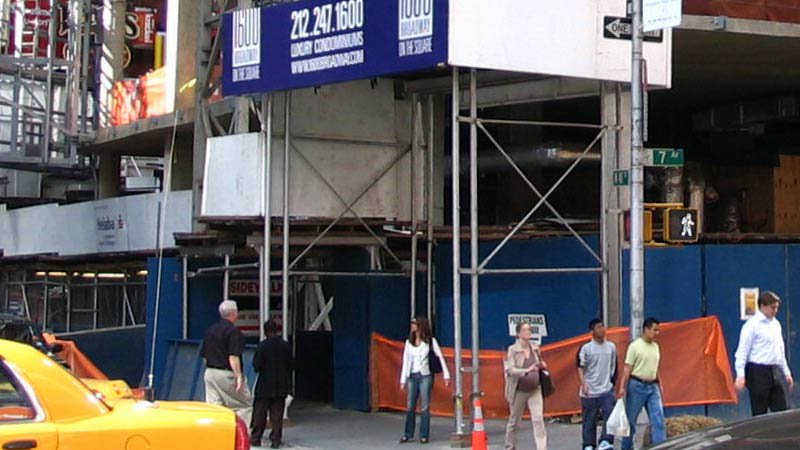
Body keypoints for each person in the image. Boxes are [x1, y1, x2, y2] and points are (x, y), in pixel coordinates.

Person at [734, 290, 794, 416]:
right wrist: (740, 375)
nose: (775, 310)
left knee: (783, 410)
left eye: (777, 308)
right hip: (758, 371)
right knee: (759, 410)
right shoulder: (752, 325)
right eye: (773, 307)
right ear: (763, 306)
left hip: (775, 369)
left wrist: (786, 372)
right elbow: (742, 351)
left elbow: (780, 350)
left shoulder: (776, 324)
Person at [399, 317, 451, 444]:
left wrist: (446, 374)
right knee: (410, 405)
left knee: (425, 406)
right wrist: (403, 379)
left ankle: (424, 434)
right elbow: (406, 361)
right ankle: (408, 433)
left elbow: (440, 357)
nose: (412, 326)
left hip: (425, 375)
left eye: (414, 323)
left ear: (421, 326)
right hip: (412, 375)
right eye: (411, 323)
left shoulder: (430, 341)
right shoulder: (408, 342)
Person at [200, 300, 252, 425]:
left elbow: (204, 356)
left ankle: (217, 436)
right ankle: (239, 438)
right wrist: (239, 376)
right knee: (243, 405)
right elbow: (233, 356)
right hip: (226, 374)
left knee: (215, 408)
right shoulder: (233, 332)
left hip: (210, 373)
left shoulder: (210, 330)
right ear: (234, 313)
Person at [617, 317, 665, 450]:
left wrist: (660, 385)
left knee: (658, 418)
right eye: (654, 330)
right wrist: (622, 387)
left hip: (652, 386)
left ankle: (660, 446)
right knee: (631, 420)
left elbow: (656, 367)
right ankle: (626, 447)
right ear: (646, 329)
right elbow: (627, 368)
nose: (657, 333)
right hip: (637, 385)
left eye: (658, 330)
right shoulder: (635, 346)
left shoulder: (656, 347)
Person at [504, 322, 548, 450]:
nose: (528, 332)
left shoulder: (535, 347)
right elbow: (510, 369)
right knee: (514, 421)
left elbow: (539, 362)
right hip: (519, 389)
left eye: (529, 330)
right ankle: (510, 446)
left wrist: (541, 365)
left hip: (535, 388)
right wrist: (526, 370)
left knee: (538, 419)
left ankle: (542, 447)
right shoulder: (513, 350)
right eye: (525, 330)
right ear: (518, 334)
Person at [251, 320, 293, 449]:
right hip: (281, 384)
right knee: (277, 413)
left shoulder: (262, 346)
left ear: (265, 331)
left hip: (264, 384)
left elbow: (256, 365)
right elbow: (291, 365)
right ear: (277, 330)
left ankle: (256, 437)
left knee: (260, 412)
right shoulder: (285, 345)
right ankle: (275, 439)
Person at [577, 319, 617, 450]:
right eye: (598, 327)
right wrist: (584, 384)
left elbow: (613, 366)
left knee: (610, 416)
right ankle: (588, 444)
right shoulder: (586, 348)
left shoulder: (611, 347)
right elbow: (580, 366)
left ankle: (606, 441)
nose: (602, 330)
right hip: (590, 391)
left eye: (603, 326)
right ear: (592, 331)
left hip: (606, 389)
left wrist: (611, 383)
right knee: (589, 419)